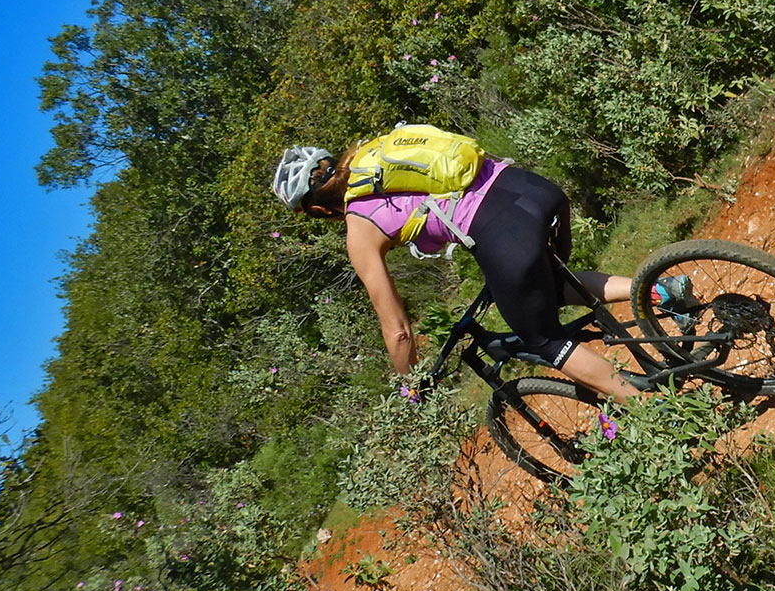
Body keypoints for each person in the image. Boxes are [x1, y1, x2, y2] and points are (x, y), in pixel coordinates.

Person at [271, 129, 649, 401]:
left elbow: (398, 331)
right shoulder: (377, 156)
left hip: (503, 230)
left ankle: (653, 410)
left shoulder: (359, 226)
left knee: (544, 339)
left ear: (318, 209)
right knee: (549, 283)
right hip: (533, 189)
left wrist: (412, 384)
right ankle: (660, 290)